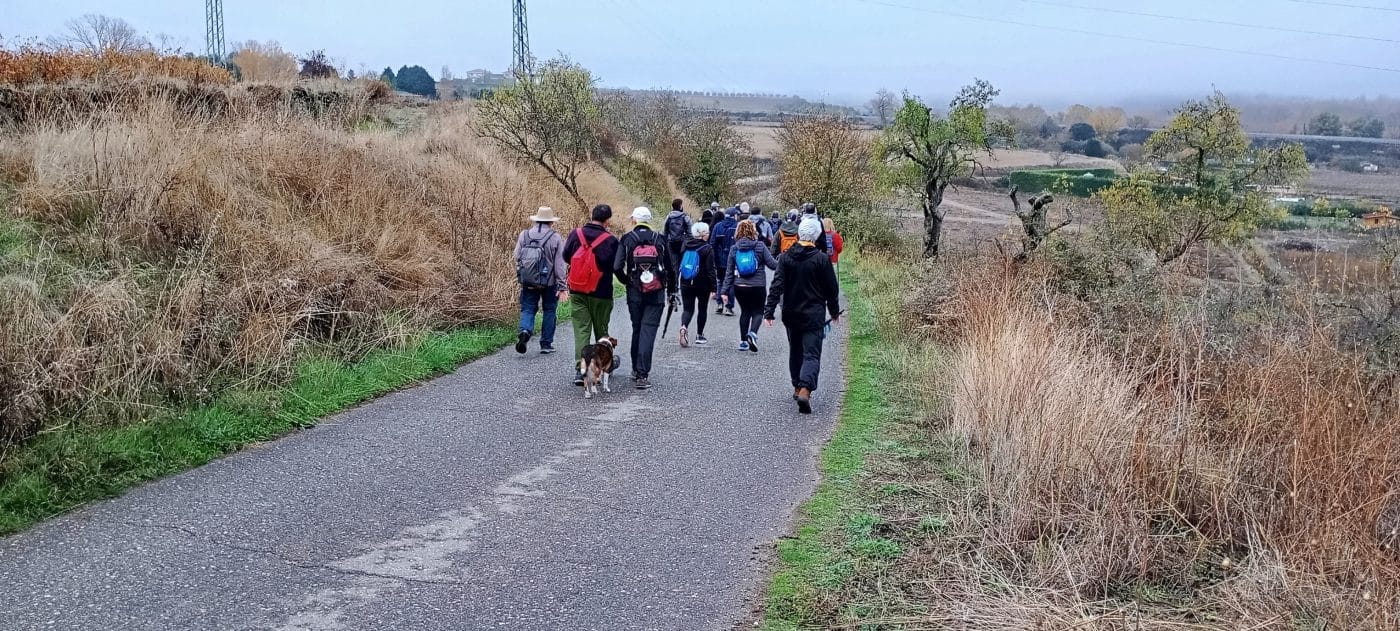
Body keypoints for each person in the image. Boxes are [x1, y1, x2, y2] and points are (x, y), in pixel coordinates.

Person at [764, 217, 841, 414]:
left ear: (799, 233)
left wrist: (769, 311)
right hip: (813, 314)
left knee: (795, 351)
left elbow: (777, 285)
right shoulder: (821, 259)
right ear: (816, 236)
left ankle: (797, 386)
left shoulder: (786, 257)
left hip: (791, 312)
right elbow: (831, 289)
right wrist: (833, 311)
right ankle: (806, 388)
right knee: (812, 353)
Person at [614, 207, 676, 390]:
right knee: (648, 330)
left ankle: (635, 368)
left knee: (637, 328)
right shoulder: (660, 239)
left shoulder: (627, 239)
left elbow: (617, 266)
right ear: (649, 221)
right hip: (656, 293)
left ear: (634, 220)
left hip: (634, 292)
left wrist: (627, 281)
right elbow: (671, 268)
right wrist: (672, 291)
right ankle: (642, 374)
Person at [563, 204, 624, 385]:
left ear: (592, 216)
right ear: (607, 221)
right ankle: (601, 366)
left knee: (581, 330)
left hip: (577, 290)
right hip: (601, 292)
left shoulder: (576, 234)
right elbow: (615, 266)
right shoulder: (611, 240)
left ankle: (580, 369)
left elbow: (567, 256)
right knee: (601, 331)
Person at [513, 206, 569, 355]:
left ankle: (525, 330)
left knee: (528, 308)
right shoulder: (555, 237)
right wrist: (562, 285)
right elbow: (560, 264)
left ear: (536, 220)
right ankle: (546, 344)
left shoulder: (524, 235)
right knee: (549, 310)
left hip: (528, 281)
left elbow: (517, 256)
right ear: (551, 222)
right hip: (549, 283)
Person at [721, 219, 779, 353]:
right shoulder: (760, 246)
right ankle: (752, 334)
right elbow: (772, 265)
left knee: (745, 312)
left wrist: (724, 291)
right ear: (754, 231)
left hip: (739, 285)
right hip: (757, 285)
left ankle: (742, 342)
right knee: (758, 311)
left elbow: (729, 272)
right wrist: (782, 259)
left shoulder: (734, 248)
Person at [677, 222, 717, 347]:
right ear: (703, 234)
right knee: (702, 308)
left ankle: (684, 327)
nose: (708, 234)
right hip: (702, 283)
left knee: (688, 309)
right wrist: (714, 287)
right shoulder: (707, 248)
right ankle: (699, 335)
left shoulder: (685, 245)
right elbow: (711, 270)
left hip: (685, 280)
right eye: (707, 232)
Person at [710, 207, 740, 316]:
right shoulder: (737, 226)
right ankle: (729, 306)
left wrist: (714, 258)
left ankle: (719, 304)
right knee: (731, 282)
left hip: (719, 259)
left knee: (720, 281)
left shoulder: (718, 226)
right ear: (734, 216)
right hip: (733, 259)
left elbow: (712, 243)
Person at [662, 198, 692, 272]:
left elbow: (665, 231)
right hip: (683, 243)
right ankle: (682, 281)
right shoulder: (685, 217)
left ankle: (676, 281)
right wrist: (688, 240)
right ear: (681, 206)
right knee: (684, 263)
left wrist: (666, 241)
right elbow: (690, 232)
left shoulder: (668, 217)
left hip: (671, 243)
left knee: (674, 264)